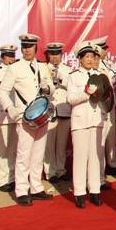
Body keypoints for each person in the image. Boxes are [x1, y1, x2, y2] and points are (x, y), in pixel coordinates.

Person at [0, 34, 55, 206]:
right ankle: (22, 190)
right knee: (24, 154)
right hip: (24, 116)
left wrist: (48, 87)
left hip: (42, 115)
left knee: (38, 154)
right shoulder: (15, 68)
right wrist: (11, 109)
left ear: (35, 48)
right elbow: (2, 90)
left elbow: (51, 89)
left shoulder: (43, 66)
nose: (27, 50)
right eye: (24, 47)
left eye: (30, 47)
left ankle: (36, 187)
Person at [66, 41, 105, 208]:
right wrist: (85, 92)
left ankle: (95, 190)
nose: (90, 60)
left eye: (92, 57)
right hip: (80, 121)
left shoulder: (100, 74)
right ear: (80, 59)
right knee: (81, 157)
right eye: (86, 57)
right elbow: (70, 99)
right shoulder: (73, 76)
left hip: (96, 120)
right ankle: (80, 192)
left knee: (95, 157)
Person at [0, 44, 18, 192]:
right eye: (8, 56)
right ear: (2, 57)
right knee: (2, 150)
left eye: (12, 55)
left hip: (15, 114)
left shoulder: (17, 69)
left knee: (12, 149)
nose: (11, 58)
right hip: (2, 114)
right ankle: (1, 180)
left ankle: (11, 178)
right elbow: (2, 86)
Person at [90, 36, 116, 180]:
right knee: (100, 141)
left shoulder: (107, 65)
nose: (106, 51)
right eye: (103, 49)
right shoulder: (94, 67)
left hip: (109, 104)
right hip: (99, 107)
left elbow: (111, 81)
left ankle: (112, 164)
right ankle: (100, 174)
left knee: (110, 137)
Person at [44, 42, 72, 183]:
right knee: (49, 144)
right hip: (50, 110)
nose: (55, 57)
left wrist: (61, 78)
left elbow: (72, 86)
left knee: (61, 144)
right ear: (49, 55)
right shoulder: (43, 69)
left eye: (57, 54)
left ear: (61, 55)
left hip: (65, 109)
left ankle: (61, 170)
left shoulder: (67, 69)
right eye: (52, 54)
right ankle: (50, 172)